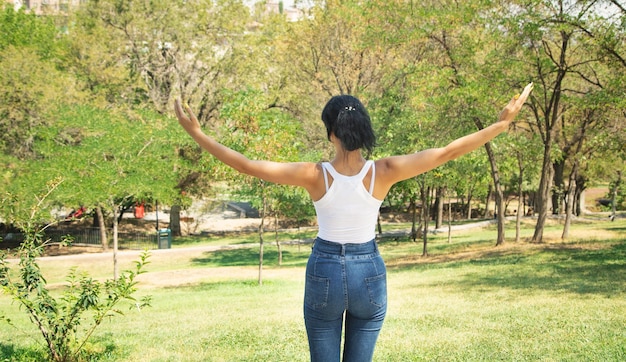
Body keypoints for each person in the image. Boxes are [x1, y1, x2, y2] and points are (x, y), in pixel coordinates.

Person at [174, 82, 534, 361]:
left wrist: (198, 134)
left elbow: (246, 165)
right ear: (362, 130)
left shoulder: (315, 175)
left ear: (331, 132)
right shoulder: (385, 171)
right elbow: (448, 152)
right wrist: (500, 125)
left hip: (325, 270)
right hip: (369, 273)